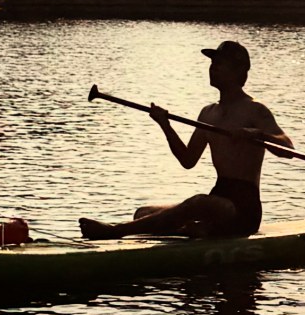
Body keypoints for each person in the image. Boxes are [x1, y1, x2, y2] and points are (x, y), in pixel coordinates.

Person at [78, 40, 291, 240]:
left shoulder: (255, 110)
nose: (212, 67)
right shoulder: (208, 113)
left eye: (219, 63)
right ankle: (194, 230)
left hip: (243, 209)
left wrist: (258, 134)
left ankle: (114, 231)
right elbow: (188, 160)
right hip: (218, 197)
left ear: (238, 71)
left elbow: (287, 148)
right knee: (143, 213)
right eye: (212, 63)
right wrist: (165, 125)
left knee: (198, 203)